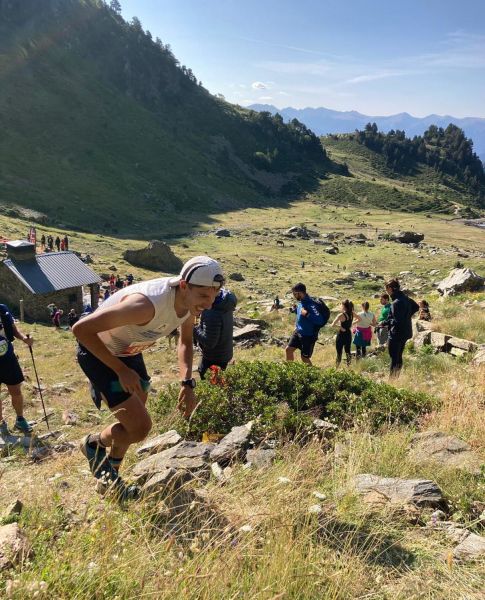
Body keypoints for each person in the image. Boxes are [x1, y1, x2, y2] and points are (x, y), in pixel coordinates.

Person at [72, 256, 224, 499]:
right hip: (98, 352)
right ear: (184, 286)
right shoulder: (145, 305)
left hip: (129, 351)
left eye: (214, 296)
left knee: (133, 420)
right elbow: (81, 330)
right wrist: (120, 370)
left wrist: (186, 383)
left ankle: (109, 479)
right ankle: (93, 444)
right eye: (204, 296)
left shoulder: (189, 303)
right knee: (140, 427)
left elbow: (185, 341)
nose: (209, 304)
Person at [0, 304, 34, 436]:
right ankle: (1, 423)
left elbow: (13, 329)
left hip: (8, 359)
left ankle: (20, 419)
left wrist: (24, 338)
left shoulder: (2, 309)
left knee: (16, 391)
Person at [194, 288, 237, 378]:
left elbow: (209, 342)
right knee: (221, 381)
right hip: (225, 353)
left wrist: (193, 329)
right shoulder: (223, 301)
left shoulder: (212, 312)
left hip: (213, 358)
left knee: (209, 381)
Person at [381, 279, 419, 377]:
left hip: (396, 334)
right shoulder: (405, 298)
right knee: (399, 356)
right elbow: (416, 307)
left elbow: (396, 321)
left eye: (386, 289)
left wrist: (384, 323)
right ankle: (396, 378)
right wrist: (407, 316)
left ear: (390, 288)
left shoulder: (396, 302)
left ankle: (392, 380)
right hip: (406, 332)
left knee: (394, 357)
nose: (386, 291)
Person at [286, 283, 325, 366]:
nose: (294, 296)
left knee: (304, 358)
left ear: (300, 293)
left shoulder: (311, 304)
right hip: (298, 331)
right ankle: (289, 371)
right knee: (288, 350)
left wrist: (307, 314)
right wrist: (295, 310)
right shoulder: (301, 302)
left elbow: (320, 321)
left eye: (294, 294)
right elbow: (301, 313)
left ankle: (313, 373)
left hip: (308, 336)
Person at [332, 299, 357, 367]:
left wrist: (340, 327)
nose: (340, 305)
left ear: (344, 306)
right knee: (348, 352)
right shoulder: (352, 313)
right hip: (348, 334)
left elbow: (333, 325)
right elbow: (359, 319)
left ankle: (336, 368)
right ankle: (349, 367)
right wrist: (351, 324)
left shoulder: (341, 315)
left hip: (341, 335)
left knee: (339, 353)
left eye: (341, 304)